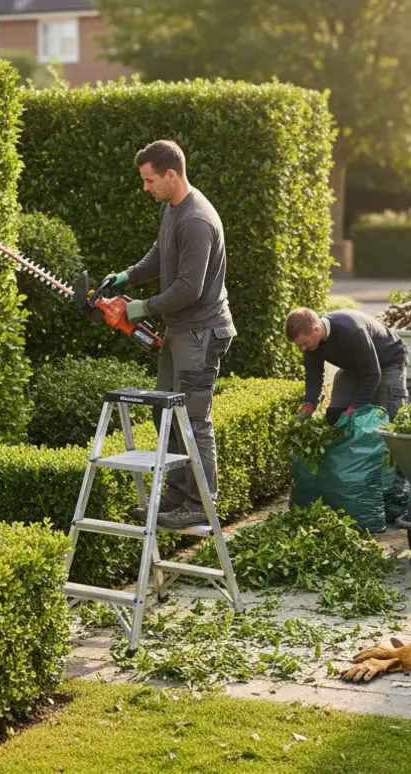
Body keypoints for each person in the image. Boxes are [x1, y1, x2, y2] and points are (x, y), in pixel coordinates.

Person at [103, 140, 236, 529]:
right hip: (179, 329)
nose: (146, 188)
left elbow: (188, 289)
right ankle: (176, 497)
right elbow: (161, 253)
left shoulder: (196, 219)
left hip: (200, 333)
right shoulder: (171, 208)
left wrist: (141, 307)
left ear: (171, 175)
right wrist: (128, 276)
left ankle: (201, 502)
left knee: (194, 420)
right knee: (169, 415)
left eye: (150, 180)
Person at [285, 307, 409, 424]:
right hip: (357, 364)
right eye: (299, 345)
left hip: (388, 361)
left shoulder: (352, 331)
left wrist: (355, 408)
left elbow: (372, 374)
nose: (303, 348)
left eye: (305, 343)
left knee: (386, 418)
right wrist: (309, 405)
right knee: (336, 415)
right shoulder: (311, 344)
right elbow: (313, 375)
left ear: (316, 330)